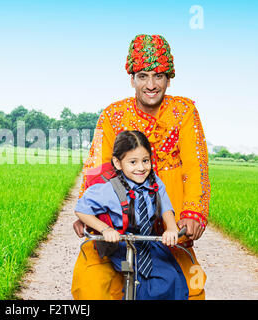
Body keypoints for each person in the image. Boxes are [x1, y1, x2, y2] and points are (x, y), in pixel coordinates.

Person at [71, 34, 210, 300]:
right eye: (143, 75)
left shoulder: (185, 111)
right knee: (91, 284)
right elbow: (97, 165)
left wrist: (193, 213)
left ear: (169, 78)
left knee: (189, 288)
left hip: (170, 221)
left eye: (158, 76)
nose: (151, 85)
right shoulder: (113, 114)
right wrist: (87, 212)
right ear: (131, 78)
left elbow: (196, 167)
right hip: (118, 219)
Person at [75, 130, 189, 300]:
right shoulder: (109, 189)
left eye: (145, 161)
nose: (141, 168)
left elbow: (166, 207)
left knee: (172, 278)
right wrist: (105, 229)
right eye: (133, 162)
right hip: (123, 244)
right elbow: (81, 209)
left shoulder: (155, 182)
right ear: (118, 163)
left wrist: (171, 228)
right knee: (142, 285)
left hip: (149, 241)